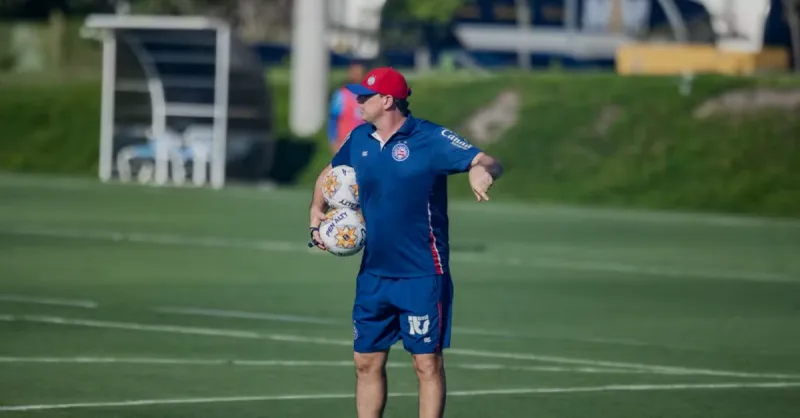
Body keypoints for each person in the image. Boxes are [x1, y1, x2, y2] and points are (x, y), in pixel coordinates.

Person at [308, 67, 503, 418]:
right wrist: (316, 211)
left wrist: (479, 170)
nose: (358, 101)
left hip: (422, 273)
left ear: (387, 100)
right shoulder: (359, 138)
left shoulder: (431, 138)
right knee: (365, 362)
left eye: (365, 97)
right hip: (374, 275)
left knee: (426, 364)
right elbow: (330, 173)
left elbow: (487, 159)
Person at [327, 61, 367, 154]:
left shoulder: (370, 96)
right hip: (345, 144)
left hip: (365, 144)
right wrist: (333, 141)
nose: (357, 76)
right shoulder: (341, 95)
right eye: (354, 73)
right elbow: (333, 119)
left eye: (359, 73)